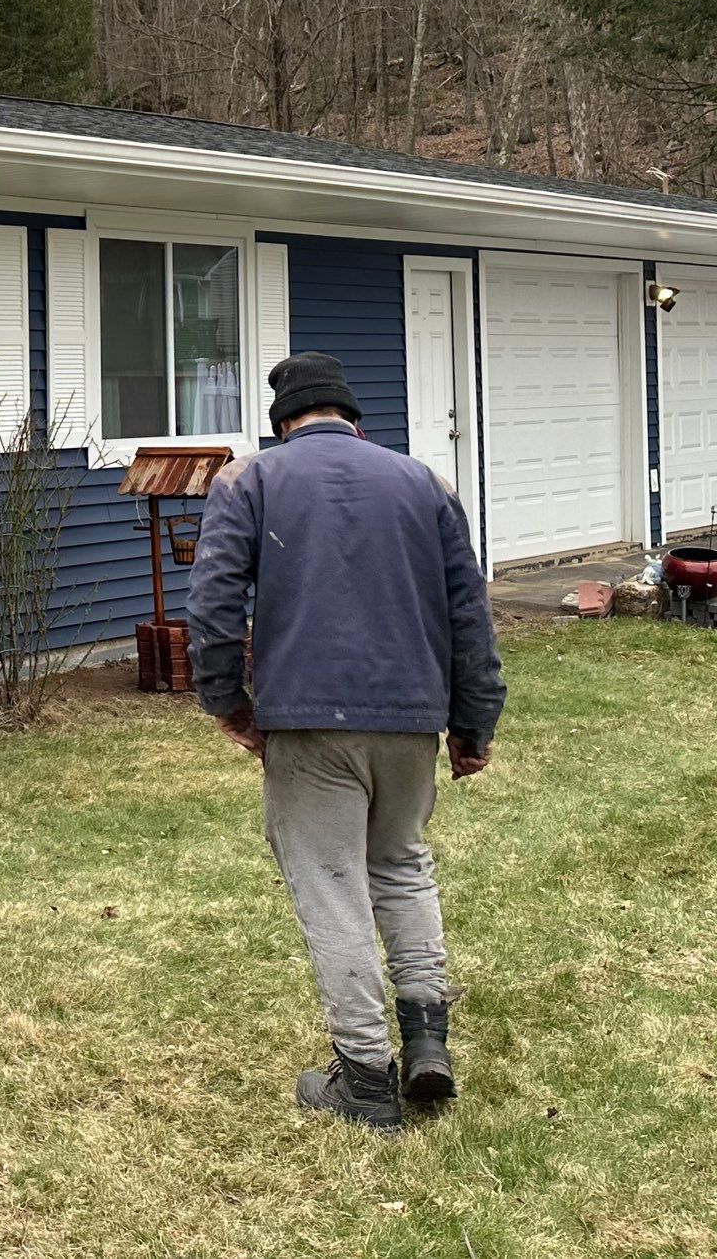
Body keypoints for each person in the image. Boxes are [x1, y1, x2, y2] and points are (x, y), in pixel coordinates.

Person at [186, 349, 506, 1130]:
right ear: (352, 420)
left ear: (281, 423)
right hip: (412, 719)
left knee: (331, 885)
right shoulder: (425, 483)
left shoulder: (248, 480)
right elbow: (470, 613)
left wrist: (229, 702)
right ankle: (428, 1040)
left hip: (307, 722)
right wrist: (474, 722)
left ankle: (364, 1077)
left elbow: (213, 605)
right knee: (401, 866)